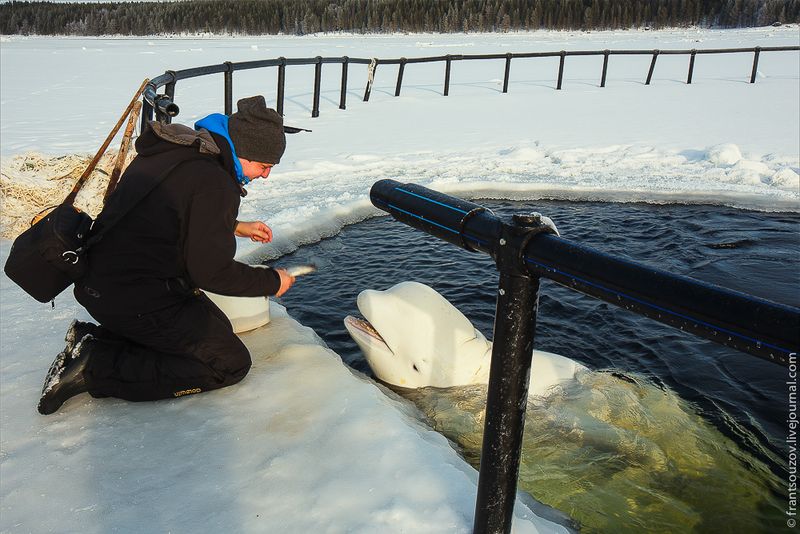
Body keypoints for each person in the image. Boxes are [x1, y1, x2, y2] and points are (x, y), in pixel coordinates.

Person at [38, 95, 295, 415]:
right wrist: (271, 281)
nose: (266, 175)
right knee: (228, 363)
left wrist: (234, 226)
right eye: (264, 166)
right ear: (243, 150)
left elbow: (169, 210)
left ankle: (92, 339)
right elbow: (211, 272)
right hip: (134, 292)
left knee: (218, 329)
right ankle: (95, 367)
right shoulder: (216, 183)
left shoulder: (183, 151)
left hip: (106, 279)